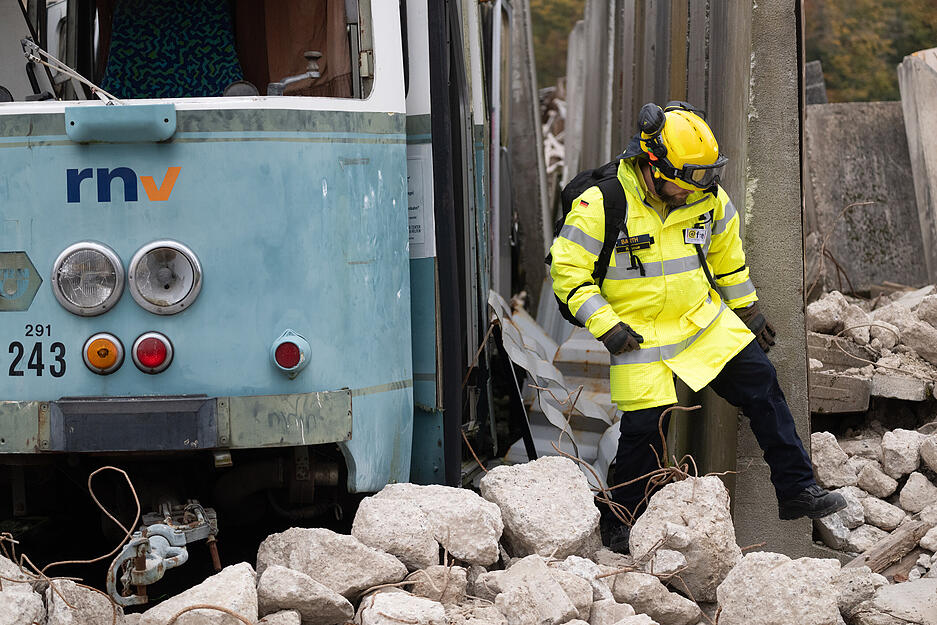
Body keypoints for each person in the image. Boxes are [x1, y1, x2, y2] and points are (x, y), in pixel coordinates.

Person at [549, 101, 845, 551]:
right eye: (685, 183)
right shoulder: (602, 203)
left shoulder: (706, 196)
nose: (694, 192)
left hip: (700, 322)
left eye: (703, 180)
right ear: (653, 165)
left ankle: (797, 489)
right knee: (645, 430)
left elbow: (727, 257)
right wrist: (605, 324)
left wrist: (747, 309)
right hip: (638, 336)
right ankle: (621, 521)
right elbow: (568, 272)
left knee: (762, 384)